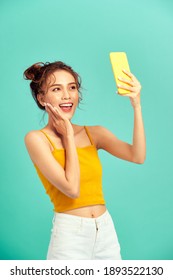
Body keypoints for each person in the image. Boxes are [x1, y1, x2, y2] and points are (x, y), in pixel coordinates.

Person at [23, 60, 146, 260]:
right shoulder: (36, 139)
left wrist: (137, 105)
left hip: (105, 230)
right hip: (70, 235)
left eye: (72, 87)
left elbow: (137, 156)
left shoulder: (94, 133)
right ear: (41, 98)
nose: (67, 95)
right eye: (56, 89)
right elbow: (72, 189)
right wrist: (68, 136)